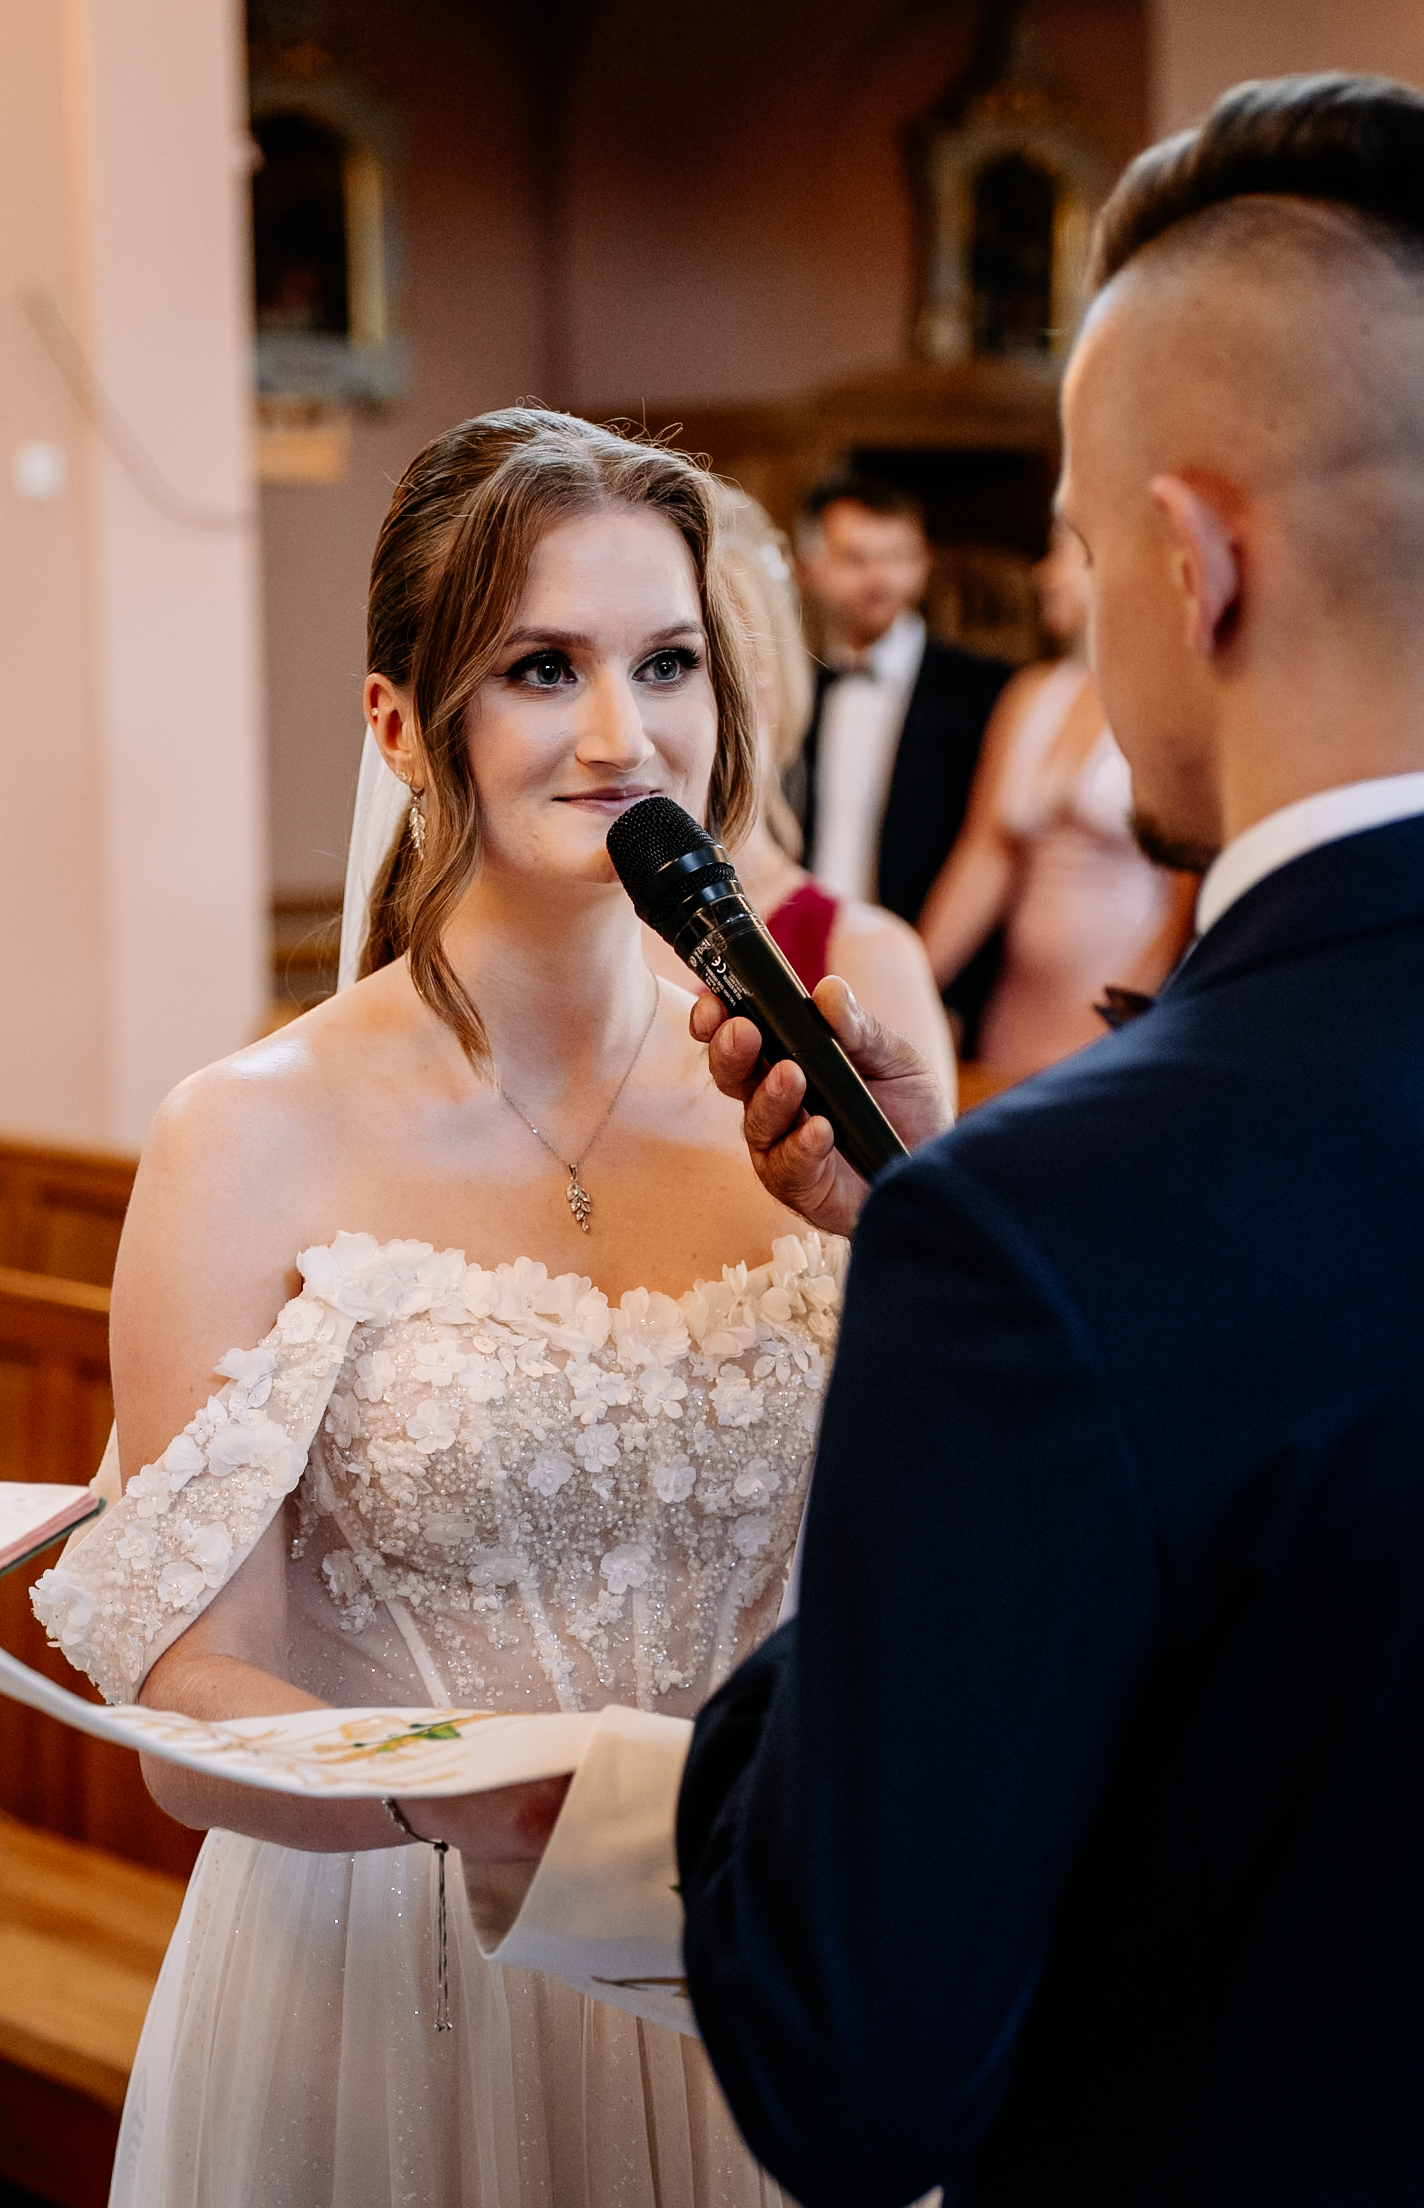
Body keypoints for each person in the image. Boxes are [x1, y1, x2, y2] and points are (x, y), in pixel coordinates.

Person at [672, 72, 1424, 2207]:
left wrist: (763, 1724)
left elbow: (858, 2071)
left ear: (1192, 562)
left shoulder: (1057, 1226)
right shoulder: (1038, 1223)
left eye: (1088, 552)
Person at [30, 407, 852, 2208]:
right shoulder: (249, 1133)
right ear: (401, 723)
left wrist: (916, 1217)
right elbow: (190, 1694)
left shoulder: (806, 1111)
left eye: (667, 663)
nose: (624, 734)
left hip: (745, 1962)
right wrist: (480, 1794)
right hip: (393, 1984)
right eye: (543, 667)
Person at [643, 485, 958, 1104]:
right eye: (661, 669)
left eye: (723, 670)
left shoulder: (869, 956)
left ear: (775, 689)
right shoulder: (556, 939)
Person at [919, 520, 1197, 1075]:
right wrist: (912, 980)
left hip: (1116, 1012)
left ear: (1111, 567)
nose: (1042, 575)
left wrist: (1130, 1021)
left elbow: (1182, 903)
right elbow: (984, 858)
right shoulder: (1030, 694)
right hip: (1017, 1008)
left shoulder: (1170, 704)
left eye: (1060, 556)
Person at [792, 474, 1012, 935]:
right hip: (809, 948)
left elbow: (992, 851)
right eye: (856, 559)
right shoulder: (796, 692)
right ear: (811, 568)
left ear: (923, 564)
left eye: (897, 557)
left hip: (927, 952)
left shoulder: (987, 691)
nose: (880, 578)